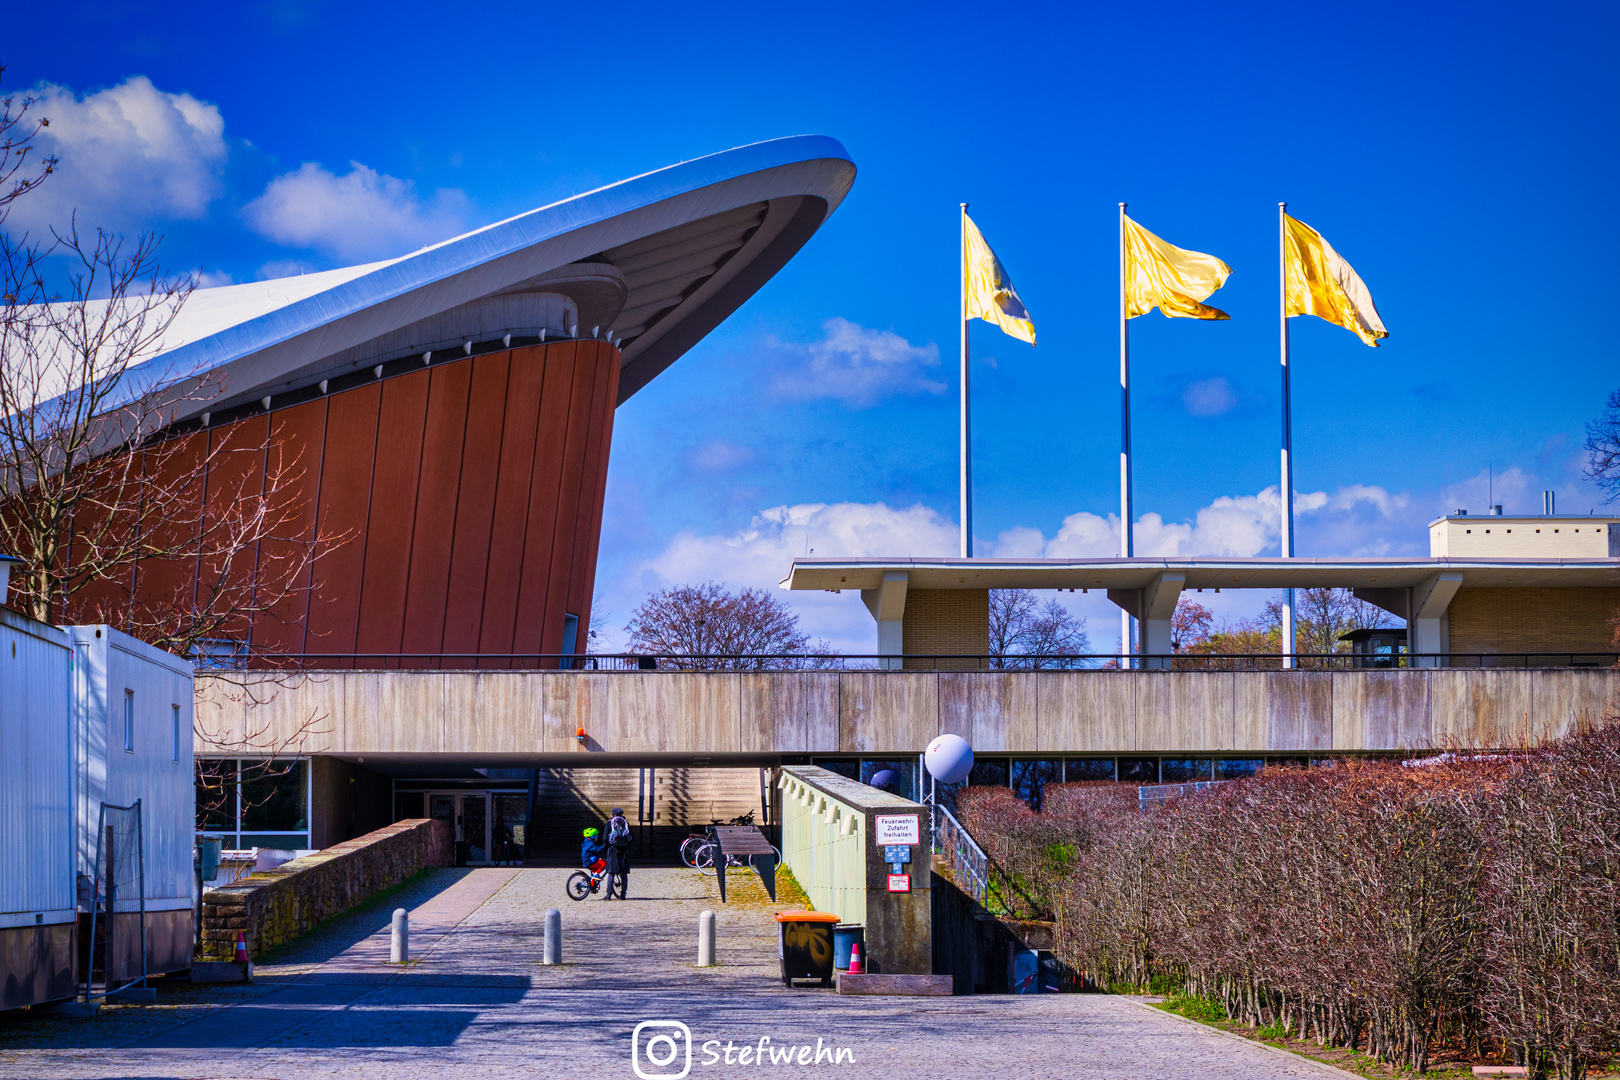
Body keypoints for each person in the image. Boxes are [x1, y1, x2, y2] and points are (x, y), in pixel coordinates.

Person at [603, 807, 632, 900]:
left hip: (613, 849)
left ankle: (608, 895)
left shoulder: (609, 823)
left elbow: (604, 838)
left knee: (611, 872)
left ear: (612, 814)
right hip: (624, 850)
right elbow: (631, 837)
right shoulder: (625, 823)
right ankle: (623, 894)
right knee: (623, 873)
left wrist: (607, 845)